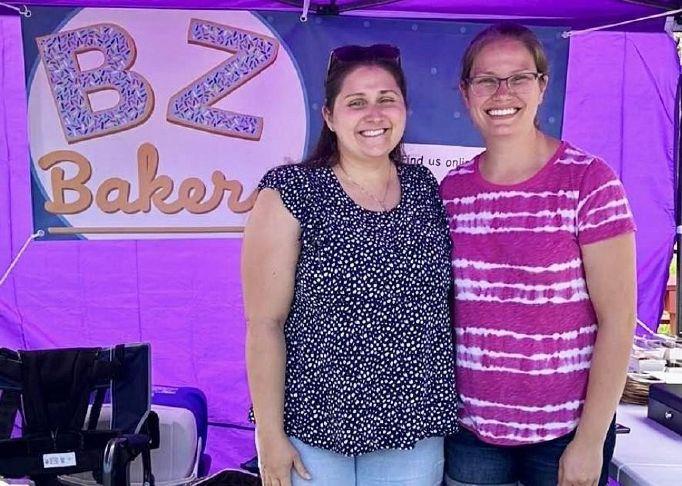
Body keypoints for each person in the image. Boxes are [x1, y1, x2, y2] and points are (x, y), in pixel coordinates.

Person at [241, 44, 458, 486]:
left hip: (412, 423)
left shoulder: (424, 188)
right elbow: (264, 323)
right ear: (329, 116)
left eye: (386, 99)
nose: (374, 114)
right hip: (314, 422)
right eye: (356, 102)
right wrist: (269, 435)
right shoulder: (291, 190)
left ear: (404, 109)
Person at [441, 23, 636, 486]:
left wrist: (590, 441)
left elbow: (619, 321)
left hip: (566, 434)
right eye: (486, 80)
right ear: (465, 93)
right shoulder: (452, 190)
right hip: (472, 433)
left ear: (542, 86)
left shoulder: (590, 181)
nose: (502, 92)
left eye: (519, 77)